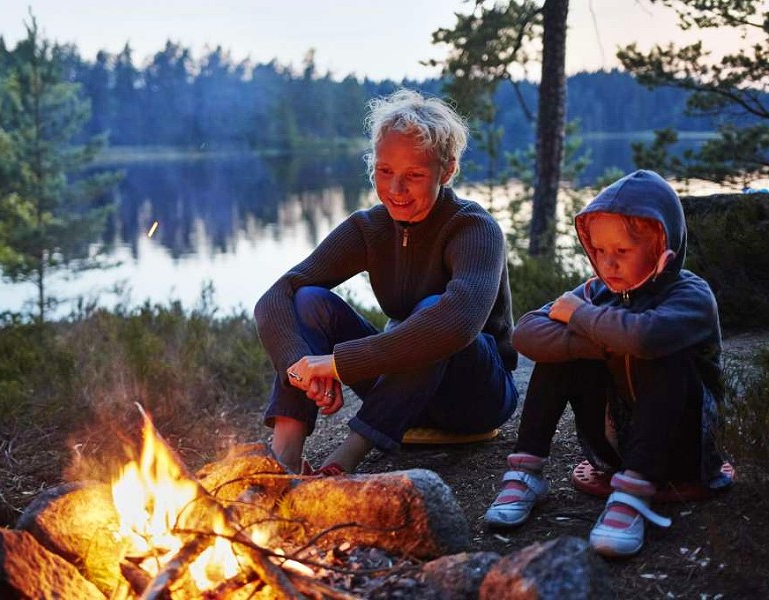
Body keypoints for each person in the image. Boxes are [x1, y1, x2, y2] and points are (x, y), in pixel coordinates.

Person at [254, 88, 518, 476]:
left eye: (414, 175)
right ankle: (283, 459)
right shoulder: (369, 228)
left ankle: (342, 462)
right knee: (309, 300)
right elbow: (277, 296)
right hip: (403, 391)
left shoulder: (473, 228)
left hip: (474, 396)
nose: (395, 190)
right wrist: (301, 366)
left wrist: (339, 364)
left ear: (447, 171)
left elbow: (456, 323)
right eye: (384, 171)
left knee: (434, 311)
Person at [484, 169, 733, 558]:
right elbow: (526, 333)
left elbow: (645, 337)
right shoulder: (596, 291)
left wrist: (583, 320)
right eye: (599, 251)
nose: (608, 264)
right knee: (560, 354)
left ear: (660, 247)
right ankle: (526, 472)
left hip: (683, 449)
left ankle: (633, 495)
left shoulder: (691, 295)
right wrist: (598, 339)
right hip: (614, 443)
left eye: (622, 251)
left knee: (657, 352)